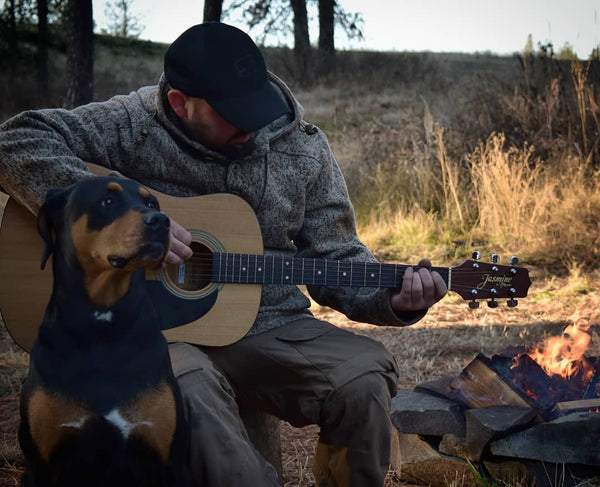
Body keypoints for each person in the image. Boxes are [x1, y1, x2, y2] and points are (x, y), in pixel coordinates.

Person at [0, 22, 447, 486]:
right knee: (184, 387)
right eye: (234, 114)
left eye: (256, 107)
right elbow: (17, 140)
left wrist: (394, 299)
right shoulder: (132, 124)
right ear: (180, 103)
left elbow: (336, 257)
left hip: (272, 323)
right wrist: (127, 220)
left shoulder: (303, 148)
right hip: (153, 330)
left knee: (363, 377)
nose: (252, 126)